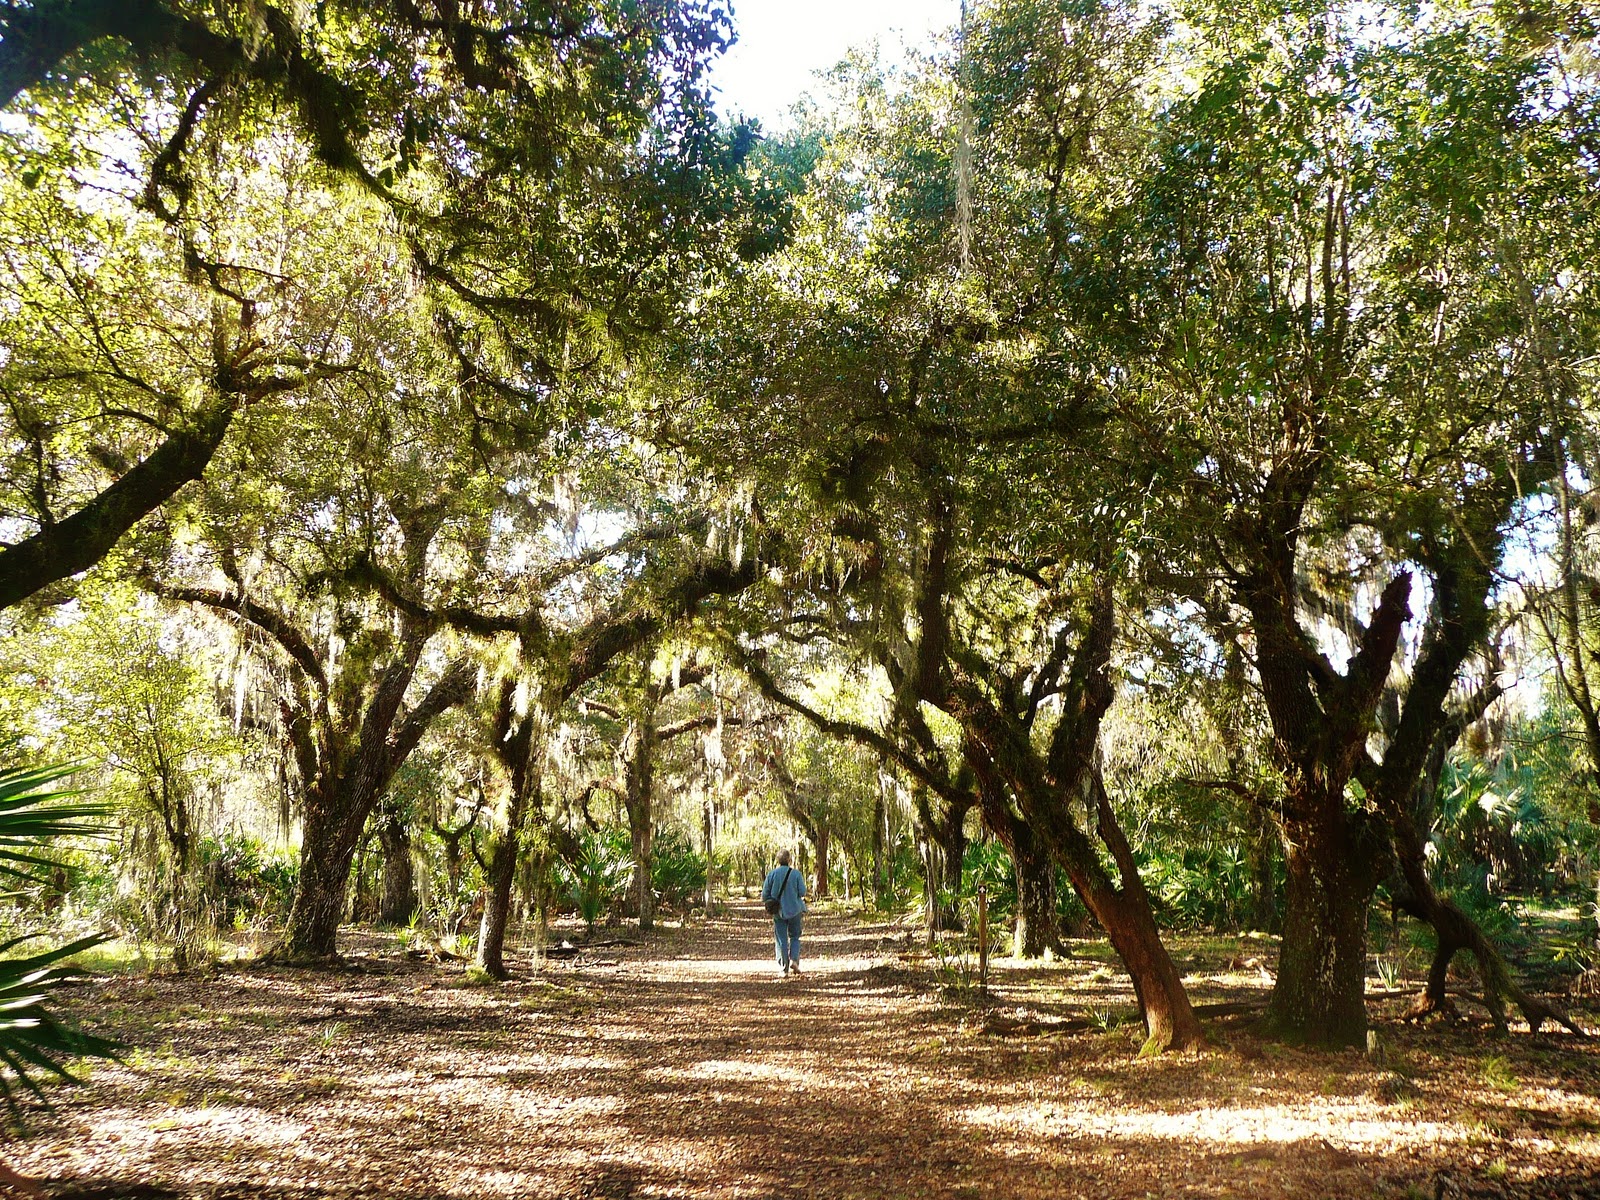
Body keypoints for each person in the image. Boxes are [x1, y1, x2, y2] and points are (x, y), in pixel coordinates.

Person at [761, 849, 807, 976]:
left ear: (778, 861)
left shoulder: (772, 874)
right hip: (795, 910)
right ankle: (795, 960)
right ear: (789, 860)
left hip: (778, 912)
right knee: (795, 936)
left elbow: (764, 895)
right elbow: (803, 892)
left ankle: (783, 968)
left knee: (781, 938)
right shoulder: (796, 874)